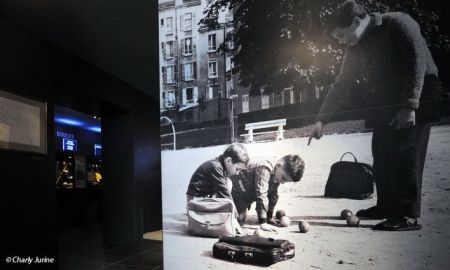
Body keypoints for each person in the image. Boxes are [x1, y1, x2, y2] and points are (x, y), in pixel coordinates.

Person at [309, 0, 440, 231]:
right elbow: (342, 83)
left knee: (406, 155)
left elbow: (415, 62)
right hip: (387, 98)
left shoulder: (398, 22)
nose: (340, 42)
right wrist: (321, 119)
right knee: (382, 153)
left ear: (356, 22)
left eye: (341, 35)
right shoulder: (356, 46)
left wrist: (410, 106)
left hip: (418, 93)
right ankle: (387, 207)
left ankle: (408, 215)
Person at [231, 155, 305, 232]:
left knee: (241, 217)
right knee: (234, 219)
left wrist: (269, 217)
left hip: (245, 197)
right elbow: (261, 194)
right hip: (232, 193)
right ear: (278, 165)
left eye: (286, 181)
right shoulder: (264, 168)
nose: (282, 182)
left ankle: (239, 211)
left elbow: (273, 195)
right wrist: (263, 223)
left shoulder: (277, 171)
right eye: (283, 178)